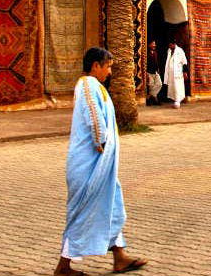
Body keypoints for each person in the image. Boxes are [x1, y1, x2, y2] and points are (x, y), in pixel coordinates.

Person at [56, 47, 147, 276]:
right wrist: (102, 144)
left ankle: (120, 257)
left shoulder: (96, 87)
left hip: (102, 166)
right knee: (81, 213)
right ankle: (63, 267)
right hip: (88, 165)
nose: (109, 72)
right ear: (95, 65)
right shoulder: (87, 85)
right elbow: (94, 117)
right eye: (107, 67)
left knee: (111, 205)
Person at [163, 42, 189, 109]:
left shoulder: (180, 51)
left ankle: (177, 102)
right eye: (169, 45)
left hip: (178, 73)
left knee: (178, 87)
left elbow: (184, 62)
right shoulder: (169, 51)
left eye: (170, 45)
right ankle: (176, 100)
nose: (170, 46)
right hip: (171, 74)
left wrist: (185, 72)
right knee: (172, 87)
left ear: (174, 44)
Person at [145, 41, 163, 106]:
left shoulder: (155, 53)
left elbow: (156, 62)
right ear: (149, 45)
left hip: (155, 72)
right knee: (151, 85)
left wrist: (158, 70)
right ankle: (155, 99)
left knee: (159, 84)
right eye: (153, 44)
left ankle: (148, 97)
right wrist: (145, 72)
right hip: (149, 72)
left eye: (155, 44)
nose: (154, 45)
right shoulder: (146, 53)